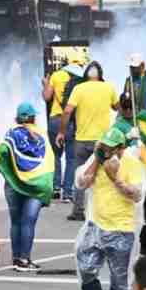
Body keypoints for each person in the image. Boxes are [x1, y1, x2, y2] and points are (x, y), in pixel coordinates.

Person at [75, 128, 144, 290]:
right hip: (95, 226)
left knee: (119, 281)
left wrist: (115, 179)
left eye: (110, 148)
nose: (107, 151)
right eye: (104, 147)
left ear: (121, 148)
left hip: (121, 230)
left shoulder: (132, 163)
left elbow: (137, 195)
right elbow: (82, 183)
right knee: (86, 271)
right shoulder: (97, 160)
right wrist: (97, 160)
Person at [56, 61, 118, 222]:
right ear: (101, 74)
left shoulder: (79, 88)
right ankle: (106, 210)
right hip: (103, 141)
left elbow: (67, 111)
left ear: (85, 76)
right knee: (106, 175)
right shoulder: (108, 87)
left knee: (81, 174)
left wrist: (62, 132)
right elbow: (118, 107)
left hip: (82, 140)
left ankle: (78, 210)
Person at [0, 103, 54, 272]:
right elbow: (48, 161)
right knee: (28, 222)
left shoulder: (11, 134)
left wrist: (9, 170)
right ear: (33, 117)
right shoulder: (41, 134)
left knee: (16, 222)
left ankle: (16, 259)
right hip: (36, 187)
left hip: (14, 186)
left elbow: (2, 153)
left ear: (17, 117)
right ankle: (24, 259)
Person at [42, 52, 90, 201]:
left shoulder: (57, 75)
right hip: (71, 121)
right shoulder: (83, 80)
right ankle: (68, 192)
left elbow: (47, 97)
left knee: (56, 155)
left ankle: (56, 188)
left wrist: (45, 84)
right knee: (70, 158)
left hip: (55, 119)